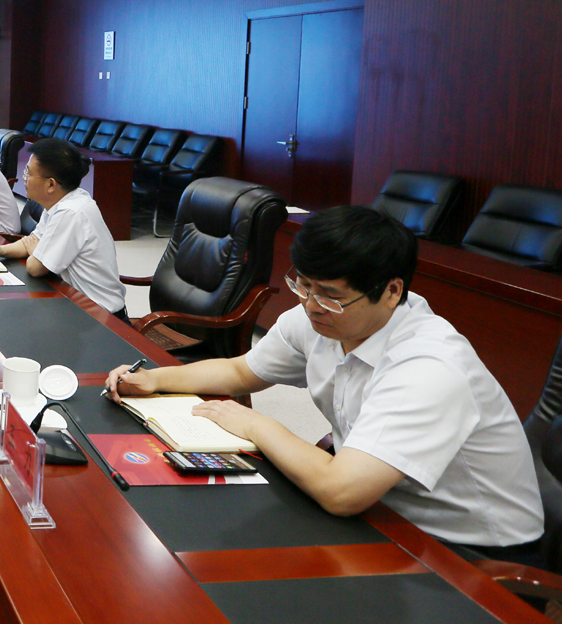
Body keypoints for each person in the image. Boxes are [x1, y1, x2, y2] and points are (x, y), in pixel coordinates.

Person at [103, 207, 544, 563]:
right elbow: (241, 372)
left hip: (469, 552)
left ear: (392, 291)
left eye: (330, 294)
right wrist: (155, 378)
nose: (312, 305)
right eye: (303, 285)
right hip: (382, 509)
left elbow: (341, 492)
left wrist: (257, 425)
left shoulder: (429, 368)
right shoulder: (324, 317)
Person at [0, 137, 126, 317]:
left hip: (100, 315)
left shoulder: (70, 212)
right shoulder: (60, 201)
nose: (24, 177)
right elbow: (32, 240)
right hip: (71, 299)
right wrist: (0, 250)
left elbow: (35, 267)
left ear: (51, 184)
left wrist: (36, 251)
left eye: (28, 172)